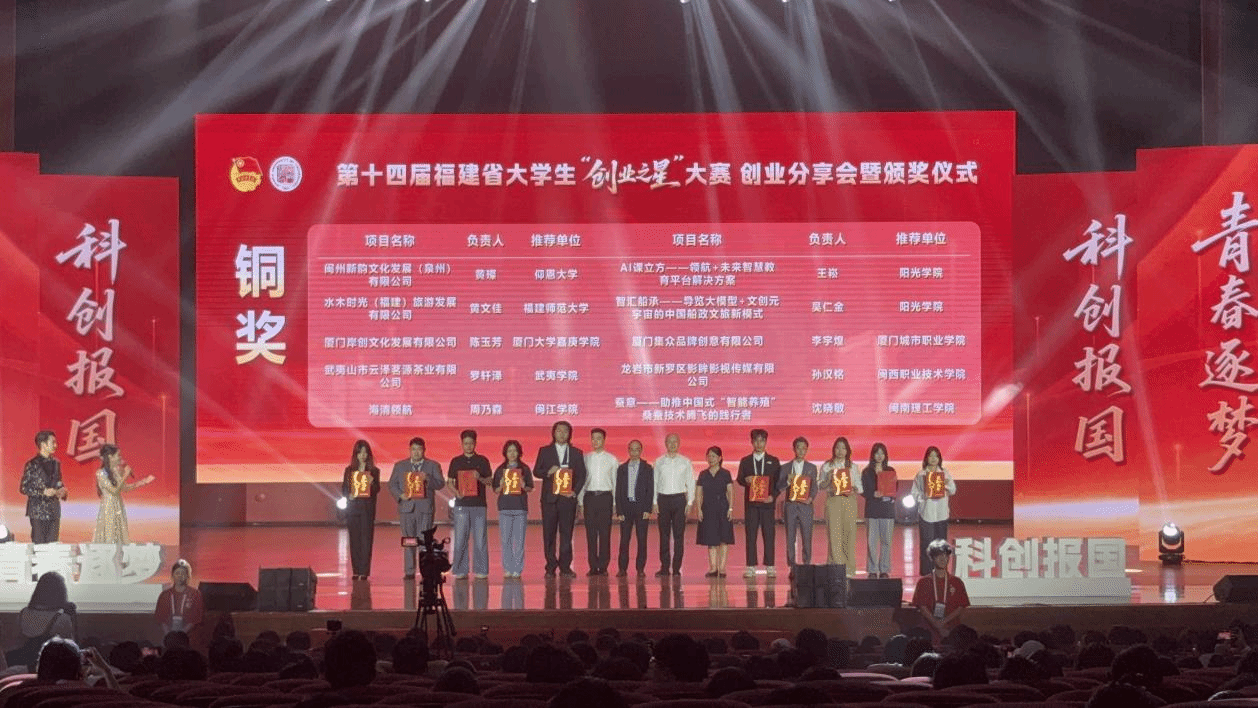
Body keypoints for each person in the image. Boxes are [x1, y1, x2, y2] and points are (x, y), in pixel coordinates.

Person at [534, 421, 587, 578]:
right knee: (549, 534)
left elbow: (582, 475)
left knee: (566, 534)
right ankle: (550, 567)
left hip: (567, 500)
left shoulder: (576, 453)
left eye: (565, 431)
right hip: (549, 500)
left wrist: (575, 492)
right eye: (559, 431)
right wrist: (548, 472)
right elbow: (536, 471)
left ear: (569, 434)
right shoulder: (545, 451)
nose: (562, 434)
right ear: (554, 433)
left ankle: (565, 567)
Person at [387, 437, 445, 580]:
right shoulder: (400, 466)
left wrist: (428, 479)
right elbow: (392, 484)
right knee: (409, 540)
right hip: (407, 508)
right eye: (414, 449)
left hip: (425, 508)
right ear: (410, 450)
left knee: (424, 541)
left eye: (419, 449)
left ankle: (426, 571)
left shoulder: (433, 465)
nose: (416, 452)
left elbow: (440, 484)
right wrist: (400, 495)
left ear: (424, 450)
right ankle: (409, 571)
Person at [737, 428, 782, 578]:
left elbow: (779, 483)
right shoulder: (745, 461)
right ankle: (750, 566)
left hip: (767, 504)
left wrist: (773, 496)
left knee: (769, 535)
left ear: (766, 442)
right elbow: (739, 479)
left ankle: (770, 566)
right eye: (756, 440)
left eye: (762, 440)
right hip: (751, 505)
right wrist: (746, 480)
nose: (759, 443)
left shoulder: (774, 461)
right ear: (751, 442)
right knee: (750, 535)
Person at [449, 429, 493, 579]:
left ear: (475, 444)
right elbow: (450, 482)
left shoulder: (482, 461)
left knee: (480, 539)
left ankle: (481, 570)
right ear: (462, 444)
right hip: (461, 505)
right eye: (465, 443)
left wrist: (479, 477)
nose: (468, 446)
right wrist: (456, 493)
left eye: (471, 443)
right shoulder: (456, 461)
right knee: (460, 538)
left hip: (479, 505)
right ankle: (460, 570)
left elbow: (490, 481)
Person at [7, 571, 76, 668]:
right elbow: (72, 651)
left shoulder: (23, 613)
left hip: (21, 668)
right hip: (49, 669)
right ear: (61, 594)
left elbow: (15, 643)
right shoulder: (62, 619)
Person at [92, 444, 155, 544]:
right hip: (109, 507)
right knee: (110, 533)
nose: (120, 458)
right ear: (110, 457)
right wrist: (125, 475)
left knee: (118, 534)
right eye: (118, 455)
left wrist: (143, 482)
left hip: (118, 505)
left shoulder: (115, 471)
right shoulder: (100, 473)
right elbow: (114, 491)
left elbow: (125, 488)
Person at [818, 436, 862, 577]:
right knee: (834, 534)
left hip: (849, 501)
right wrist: (828, 479)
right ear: (833, 449)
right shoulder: (827, 466)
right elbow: (820, 485)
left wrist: (854, 488)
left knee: (849, 534)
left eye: (843, 448)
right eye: (837, 447)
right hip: (833, 501)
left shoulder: (853, 467)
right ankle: (835, 569)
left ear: (847, 450)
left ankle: (849, 569)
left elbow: (860, 487)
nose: (840, 451)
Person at [653, 433, 695, 577]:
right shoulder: (659, 462)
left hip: (679, 500)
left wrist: (690, 502)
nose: (672, 444)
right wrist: (654, 501)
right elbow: (654, 482)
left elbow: (690, 482)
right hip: (663, 500)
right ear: (665, 444)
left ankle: (677, 568)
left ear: (679, 443)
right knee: (663, 535)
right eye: (669, 442)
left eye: (675, 441)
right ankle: (665, 567)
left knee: (679, 536)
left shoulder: (685, 462)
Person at [910, 539, 969, 642]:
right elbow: (922, 607)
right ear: (932, 558)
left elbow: (960, 607)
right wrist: (937, 625)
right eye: (938, 555)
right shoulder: (924, 582)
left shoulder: (957, 582)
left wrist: (943, 622)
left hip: (951, 630)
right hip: (928, 631)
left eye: (945, 555)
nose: (943, 559)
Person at [911, 445, 956, 575]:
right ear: (926, 458)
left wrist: (944, 485)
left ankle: (940, 571)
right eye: (930, 456)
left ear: (939, 459)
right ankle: (926, 572)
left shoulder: (945, 473)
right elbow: (914, 492)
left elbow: (953, 490)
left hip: (941, 514)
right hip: (927, 513)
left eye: (936, 456)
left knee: (941, 544)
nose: (933, 458)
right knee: (927, 543)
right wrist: (923, 496)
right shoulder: (921, 474)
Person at [492, 439, 534, 578]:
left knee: (519, 541)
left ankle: (518, 569)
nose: (512, 453)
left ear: (519, 452)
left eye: (515, 450)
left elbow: (530, 488)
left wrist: (523, 485)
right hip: (505, 507)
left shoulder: (525, 469)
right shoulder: (500, 469)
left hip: (520, 508)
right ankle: (508, 568)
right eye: (509, 451)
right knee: (506, 541)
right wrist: (501, 485)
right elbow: (495, 490)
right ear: (505, 453)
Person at [341, 440, 381, 580]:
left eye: (365, 452)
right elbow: (344, 489)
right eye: (360, 452)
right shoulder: (349, 470)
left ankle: (364, 571)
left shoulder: (374, 471)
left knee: (366, 540)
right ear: (356, 454)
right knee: (354, 540)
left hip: (367, 510)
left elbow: (376, 490)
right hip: (353, 510)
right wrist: (349, 495)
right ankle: (356, 570)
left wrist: (372, 482)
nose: (363, 455)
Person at [779, 436, 818, 576]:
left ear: (807, 450)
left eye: (804, 448)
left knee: (807, 537)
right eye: (798, 448)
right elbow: (779, 486)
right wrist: (787, 482)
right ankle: (792, 566)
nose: (801, 451)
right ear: (794, 449)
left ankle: (806, 564)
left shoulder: (812, 468)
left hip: (805, 506)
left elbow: (814, 487)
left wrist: (811, 498)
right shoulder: (785, 468)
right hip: (790, 505)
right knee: (790, 537)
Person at [580, 428, 617, 576]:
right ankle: (592, 566)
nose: (595, 441)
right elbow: (582, 482)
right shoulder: (585, 459)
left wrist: (615, 504)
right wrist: (580, 503)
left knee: (605, 533)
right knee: (590, 534)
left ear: (604, 440)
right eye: (593, 438)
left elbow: (615, 483)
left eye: (599, 438)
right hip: (589, 498)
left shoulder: (612, 459)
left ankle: (603, 566)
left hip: (605, 498)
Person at [615, 439, 654, 577]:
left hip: (641, 508)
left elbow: (650, 490)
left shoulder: (647, 468)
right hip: (626, 508)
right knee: (624, 540)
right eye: (632, 449)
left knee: (642, 540)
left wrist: (648, 509)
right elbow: (618, 490)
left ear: (641, 451)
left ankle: (640, 569)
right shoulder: (622, 469)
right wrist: (619, 510)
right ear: (628, 450)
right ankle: (622, 569)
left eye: (637, 449)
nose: (634, 452)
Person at [695, 446, 735, 577]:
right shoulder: (703, 474)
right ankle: (713, 568)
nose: (710, 459)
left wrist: (730, 508)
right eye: (709, 456)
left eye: (713, 456)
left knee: (724, 539)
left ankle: (722, 568)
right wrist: (699, 509)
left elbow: (730, 492)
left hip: (723, 508)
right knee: (711, 539)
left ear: (720, 458)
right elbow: (699, 493)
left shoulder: (726, 474)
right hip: (708, 509)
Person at [21, 430, 66, 544]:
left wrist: (62, 491)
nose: (56, 445)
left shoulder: (56, 463)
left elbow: (58, 482)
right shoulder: (32, 464)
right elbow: (24, 487)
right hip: (38, 512)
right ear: (43, 444)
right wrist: (43, 492)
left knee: (53, 546)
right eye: (53, 442)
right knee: (39, 546)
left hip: (54, 510)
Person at [862, 442, 897, 578]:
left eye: (882, 453)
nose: (880, 456)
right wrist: (872, 494)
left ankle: (884, 570)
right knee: (872, 542)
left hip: (887, 510)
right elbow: (863, 490)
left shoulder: (890, 470)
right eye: (877, 453)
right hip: (872, 509)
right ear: (873, 455)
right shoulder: (867, 472)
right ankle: (872, 570)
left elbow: (895, 488)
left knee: (886, 541)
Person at [154, 559, 205, 639]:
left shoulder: (195, 594)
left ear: (188, 576)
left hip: (189, 638)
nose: (180, 576)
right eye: (177, 573)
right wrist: (169, 635)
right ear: (172, 575)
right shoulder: (165, 595)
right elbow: (161, 619)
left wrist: (181, 634)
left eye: (183, 573)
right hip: (168, 637)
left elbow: (196, 618)